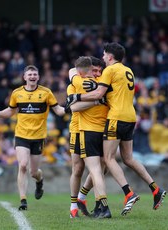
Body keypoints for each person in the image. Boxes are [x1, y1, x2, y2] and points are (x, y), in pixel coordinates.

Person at [66, 42, 166, 215]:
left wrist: (77, 96)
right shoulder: (128, 70)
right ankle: (155, 189)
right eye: (95, 69)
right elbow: (75, 73)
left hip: (115, 118)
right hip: (130, 117)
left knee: (107, 159)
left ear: (110, 57)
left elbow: (96, 93)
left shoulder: (109, 71)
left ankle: (128, 193)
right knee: (127, 158)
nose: (103, 59)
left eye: (104, 55)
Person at [0, 65, 65, 210]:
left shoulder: (46, 92)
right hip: (21, 135)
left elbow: (58, 110)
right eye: (29, 74)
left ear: (38, 77)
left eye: (34, 74)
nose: (32, 76)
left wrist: (68, 109)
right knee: (23, 165)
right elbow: (11, 111)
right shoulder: (17, 93)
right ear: (24, 77)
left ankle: (40, 181)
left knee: (34, 172)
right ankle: (23, 201)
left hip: (38, 137)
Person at [68, 56, 111, 219]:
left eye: (100, 70)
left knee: (103, 166)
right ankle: (74, 206)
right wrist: (96, 101)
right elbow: (74, 108)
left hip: (100, 129)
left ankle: (82, 197)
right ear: (88, 69)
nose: (97, 73)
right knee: (78, 169)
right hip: (78, 129)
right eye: (94, 70)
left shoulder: (103, 83)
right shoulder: (75, 82)